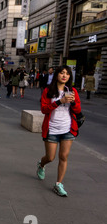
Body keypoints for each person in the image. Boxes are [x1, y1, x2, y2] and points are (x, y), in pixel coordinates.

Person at [36, 65, 82, 197]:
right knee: (50, 157)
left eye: (67, 74)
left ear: (69, 77)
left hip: (67, 128)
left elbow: (78, 111)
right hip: (52, 128)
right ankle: (41, 164)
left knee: (63, 157)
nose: (64, 75)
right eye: (62, 73)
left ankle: (58, 184)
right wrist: (59, 101)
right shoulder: (48, 91)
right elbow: (44, 109)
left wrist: (73, 102)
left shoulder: (72, 91)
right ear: (57, 75)